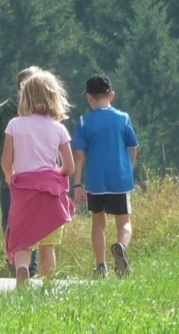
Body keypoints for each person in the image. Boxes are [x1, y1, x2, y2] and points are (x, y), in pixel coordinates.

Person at [1, 69, 76, 288]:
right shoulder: (59, 129)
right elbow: (68, 167)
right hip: (50, 193)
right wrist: (54, 176)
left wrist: (11, 177)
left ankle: (22, 270)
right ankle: (48, 283)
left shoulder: (15, 125)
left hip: (24, 190)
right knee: (47, 245)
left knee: (22, 241)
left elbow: (6, 161)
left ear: (25, 97)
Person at [0, 66, 41, 277]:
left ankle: (20, 260)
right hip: (28, 179)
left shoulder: (6, 110)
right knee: (31, 220)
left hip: (11, 178)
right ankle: (28, 265)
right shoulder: (40, 113)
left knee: (12, 220)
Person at [72, 75, 139, 278]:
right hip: (120, 178)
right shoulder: (123, 118)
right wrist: (129, 167)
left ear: (90, 98)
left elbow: (79, 155)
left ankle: (101, 266)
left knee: (98, 222)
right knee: (124, 221)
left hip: (95, 180)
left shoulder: (84, 121)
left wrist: (77, 184)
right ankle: (121, 247)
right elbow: (133, 147)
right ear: (111, 95)